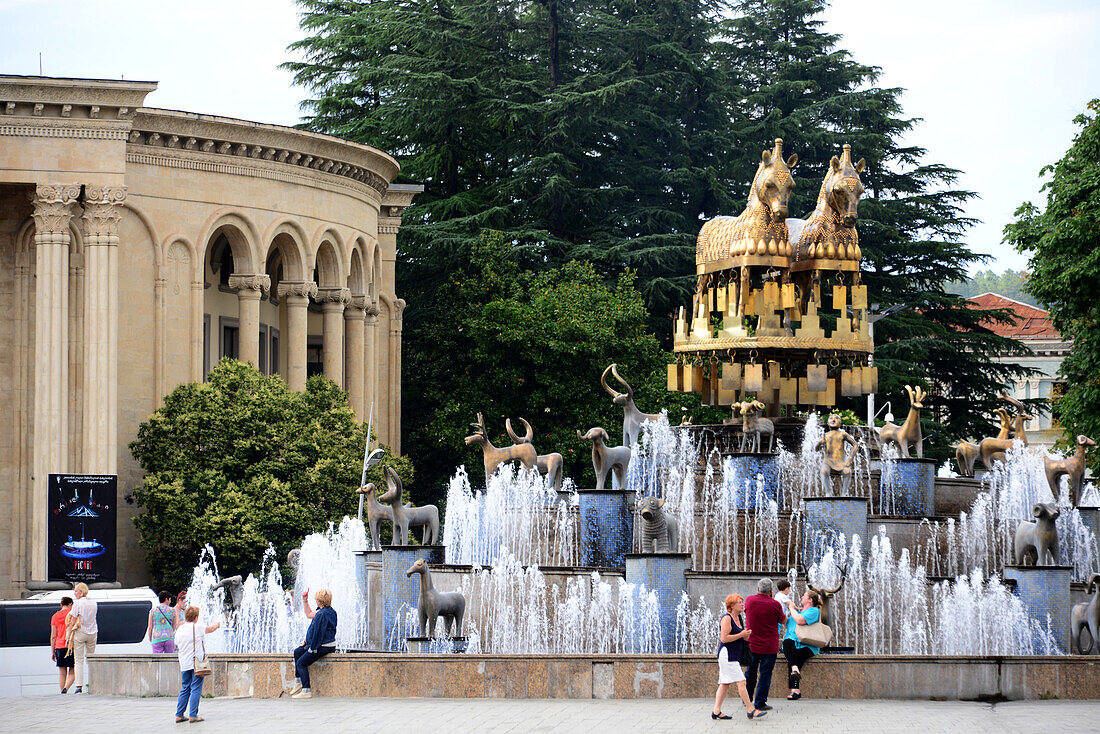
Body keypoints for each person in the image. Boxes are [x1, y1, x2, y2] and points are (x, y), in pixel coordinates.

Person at [712, 594, 765, 720]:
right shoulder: (727, 618)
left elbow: (741, 637)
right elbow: (724, 638)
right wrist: (741, 634)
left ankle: (716, 711)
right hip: (727, 654)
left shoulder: (738, 617)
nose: (742, 604)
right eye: (739, 602)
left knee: (724, 683)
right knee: (742, 681)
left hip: (734, 654)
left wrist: (746, 635)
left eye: (742, 602)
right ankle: (750, 709)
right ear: (731, 605)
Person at [744, 577, 785, 712]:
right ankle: (760, 702)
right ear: (771, 591)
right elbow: (783, 620)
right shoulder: (775, 604)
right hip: (769, 646)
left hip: (752, 644)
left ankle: (747, 699)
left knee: (750, 673)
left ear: (758, 589)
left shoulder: (749, 600)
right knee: (765, 674)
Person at [174, 606, 221, 723]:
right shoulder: (198, 627)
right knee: (195, 688)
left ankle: (179, 714)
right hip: (196, 663)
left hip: (184, 663)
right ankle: (193, 715)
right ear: (196, 617)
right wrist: (218, 624)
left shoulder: (180, 629)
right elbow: (210, 629)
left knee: (185, 688)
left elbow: (176, 643)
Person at [289, 588, 337, 700]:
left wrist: (312, 649)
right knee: (297, 652)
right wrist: (305, 641)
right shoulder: (326, 611)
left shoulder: (322, 614)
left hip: (324, 646)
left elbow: (318, 633)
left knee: (301, 663)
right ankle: (298, 681)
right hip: (322, 644)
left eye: (316, 599)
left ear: (320, 600)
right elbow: (309, 615)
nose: (315, 600)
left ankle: (306, 690)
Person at [782, 588, 824, 701]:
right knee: (789, 649)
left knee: (794, 658)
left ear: (810, 600)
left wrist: (792, 608)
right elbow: (786, 623)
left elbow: (800, 620)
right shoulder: (797, 612)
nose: (801, 597)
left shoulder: (814, 611)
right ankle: (795, 689)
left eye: (804, 596)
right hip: (793, 643)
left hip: (807, 644)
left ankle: (795, 688)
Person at [69, 582, 98, 694]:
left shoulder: (78, 603)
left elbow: (72, 620)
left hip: (81, 632)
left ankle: (78, 686)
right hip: (93, 632)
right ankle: (93, 683)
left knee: (79, 660)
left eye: (76, 591)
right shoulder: (94, 602)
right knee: (91, 659)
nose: (74, 593)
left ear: (81, 592)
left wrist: (69, 634)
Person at [50, 597, 75, 693]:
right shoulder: (73, 615)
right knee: (72, 672)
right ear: (71, 604)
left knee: (62, 673)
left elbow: (53, 636)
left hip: (59, 646)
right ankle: (66, 688)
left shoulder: (55, 616)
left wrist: (53, 651)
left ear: (61, 605)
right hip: (71, 646)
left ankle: (63, 693)